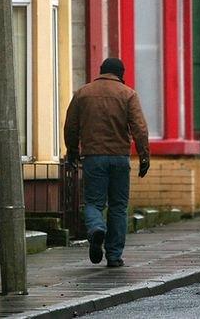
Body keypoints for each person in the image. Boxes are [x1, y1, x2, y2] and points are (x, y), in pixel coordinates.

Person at [64, 57, 150, 268]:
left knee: (94, 203)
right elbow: (139, 128)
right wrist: (144, 155)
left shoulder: (82, 93)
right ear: (121, 73)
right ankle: (114, 255)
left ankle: (95, 229)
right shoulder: (128, 94)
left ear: (101, 70)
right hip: (120, 158)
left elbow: (71, 126)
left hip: (93, 157)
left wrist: (73, 151)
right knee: (119, 207)